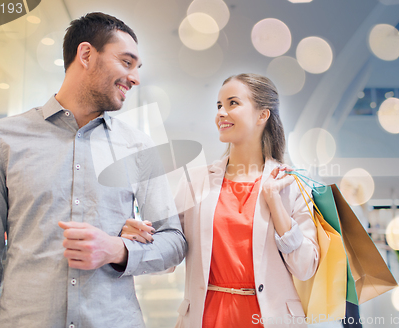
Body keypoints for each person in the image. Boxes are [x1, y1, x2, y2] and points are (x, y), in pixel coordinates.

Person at [0, 12, 186, 327]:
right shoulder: (0, 139)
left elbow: (174, 242)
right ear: (85, 55)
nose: (135, 78)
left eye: (137, 68)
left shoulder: (139, 146)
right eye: (126, 62)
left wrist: (116, 248)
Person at [123, 73, 320, 327]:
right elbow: (167, 255)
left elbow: (305, 268)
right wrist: (137, 238)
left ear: (263, 115)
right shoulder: (196, 181)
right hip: (208, 317)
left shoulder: (290, 184)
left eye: (232, 103)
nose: (221, 113)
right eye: (219, 106)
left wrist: (275, 204)